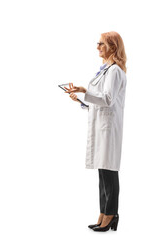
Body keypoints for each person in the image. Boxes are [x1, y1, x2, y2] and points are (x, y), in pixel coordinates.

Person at [65, 31, 127, 232]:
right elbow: (100, 101)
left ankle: (111, 214)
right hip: (102, 126)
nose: (97, 47)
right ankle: (103, 212)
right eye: (98, 43)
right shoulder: (105, 70)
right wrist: (82, 100)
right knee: (102, 172)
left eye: (101, 44)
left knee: (109, 172)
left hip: (109, 129)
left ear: (112, 46)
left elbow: (108, 99)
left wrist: (85, 91)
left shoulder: (115, 71)